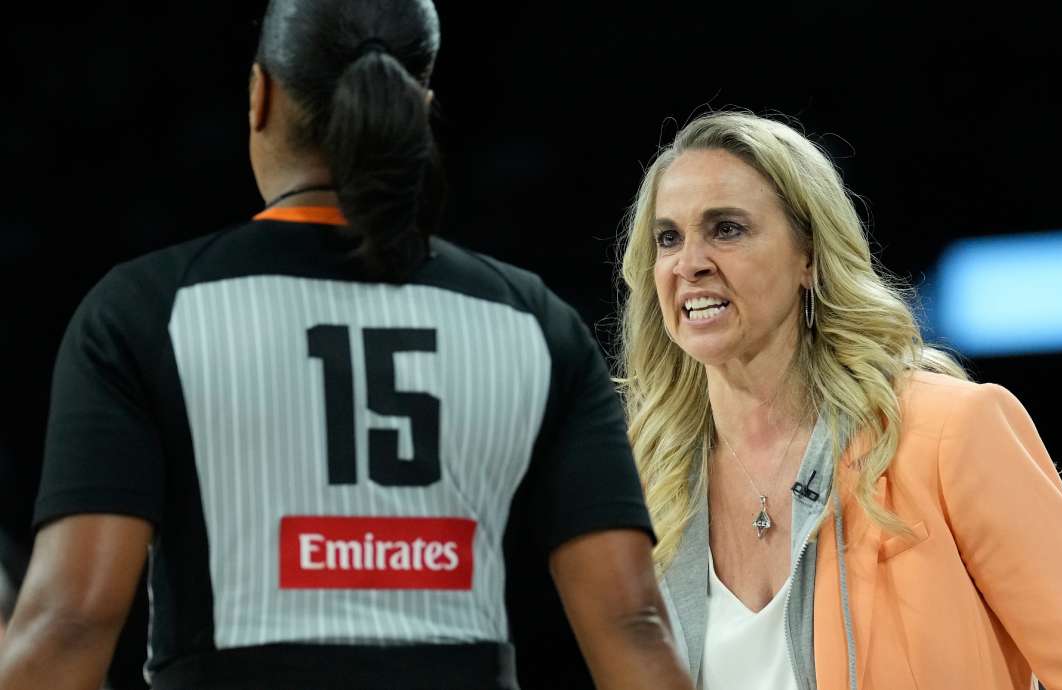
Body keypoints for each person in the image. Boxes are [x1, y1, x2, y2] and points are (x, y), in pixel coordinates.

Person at [0, 2, 692, 689]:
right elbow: (632, 625)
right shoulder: (534, 323)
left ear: (259, 95)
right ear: (419, 103)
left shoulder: (147, 311)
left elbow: (71, 625)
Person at [614, 111, 1062, 689]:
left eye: (726, 228)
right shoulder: (646, 477)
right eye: (668, 238)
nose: (690, 263)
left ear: (809, 255)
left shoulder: (948, 431)